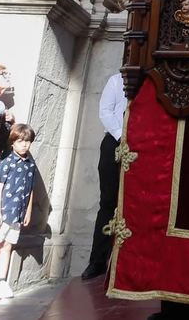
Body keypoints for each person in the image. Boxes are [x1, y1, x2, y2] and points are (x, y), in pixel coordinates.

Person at [0, 122, 38, 299]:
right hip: (4, 211)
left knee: (7, 246)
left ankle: (1, 280)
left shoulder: (30, 165)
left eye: (27, 141)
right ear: (12, 143)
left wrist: (28, 211)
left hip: (18, 213)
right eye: (20, 141)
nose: (24, 144)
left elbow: (31, 189)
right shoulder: (6, 162)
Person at [82, 70, 127, 280]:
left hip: (143, 143)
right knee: (108, 202)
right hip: (114, 142)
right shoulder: (116, 81)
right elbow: (106, 112)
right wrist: (122, 136)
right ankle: (97, 261)